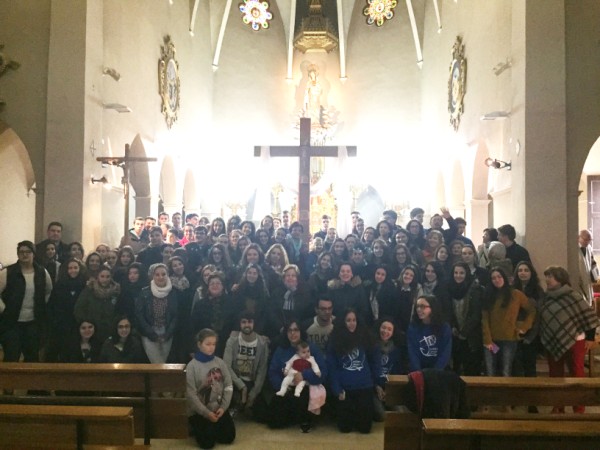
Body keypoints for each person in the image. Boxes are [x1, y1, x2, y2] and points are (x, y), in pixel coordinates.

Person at [539, 266, 599, 414]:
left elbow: (589, 316)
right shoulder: (546, 297)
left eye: (550, 276)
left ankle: (578, 408)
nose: (547, 280)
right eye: (546, 276)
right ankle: (558, 406)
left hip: (576, 340)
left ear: (560, 279)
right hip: (553, 341)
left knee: (576, 374)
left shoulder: (573, 296)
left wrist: (590, 338)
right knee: (555, 375)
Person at [327, 309, 381, 434]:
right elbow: (332, 368)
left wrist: (375, 379)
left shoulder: (365, 337)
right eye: (348, 320)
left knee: (365, 429)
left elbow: (376, 357)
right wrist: (337, 389)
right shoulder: (334, 341)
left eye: (354, 320)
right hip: (345, 389)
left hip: (364, 386)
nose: (352, 323)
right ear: (342, 322)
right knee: (345, 428)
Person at [268, 319, 326, 432]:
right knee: (274, 422)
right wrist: (282, 385)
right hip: (287, 387)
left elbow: (323, 372)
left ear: (301, 332)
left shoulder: (311, 348)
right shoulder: (281, 349)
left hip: (306, 387)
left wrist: (304, 375)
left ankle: (304, 418)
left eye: (296, 330)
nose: (292, 333)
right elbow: (273, 372)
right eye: (289, 330)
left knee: (302, 399)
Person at [0, 240, 53, 362]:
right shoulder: (8, 272)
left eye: (28, 252)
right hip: (12, 323)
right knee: (11, 356)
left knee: (32, 357)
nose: (24, 254)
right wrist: (4, 309)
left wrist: (41, 305)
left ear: (33, 254)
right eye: (21, 252)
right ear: (18, 254)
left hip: (33, 322)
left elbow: (49, 291)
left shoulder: (42, 272)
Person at [186, 328, 236, 449]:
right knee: (207, 444)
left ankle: (212, 427)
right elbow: (191, 395)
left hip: (218, 408)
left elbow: (228, 385)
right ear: (199, 344)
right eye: (208, 344)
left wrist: (223, 407)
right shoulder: (191, 367)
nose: (211, 347)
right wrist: (206, 413)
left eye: (213, 344)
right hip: (200, 411)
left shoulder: (220, 362)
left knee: (229, 437)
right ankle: (198, 426)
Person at [481, 267, 535, 377]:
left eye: (499, 277)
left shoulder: (516, 294)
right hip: (492, 341)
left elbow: (532, 311)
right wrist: (488, 340)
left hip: (509, 340)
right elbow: (485, 319)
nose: (497, 280)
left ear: (504, 278)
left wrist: (524, 327)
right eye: (493, 278)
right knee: (490, 371)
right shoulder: (488, 295)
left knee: (506, 371)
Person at [222, 311, 269, 416]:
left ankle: (245, 404)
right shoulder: (232, 340)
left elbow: (262, 371)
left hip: (252, 382)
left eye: (250, 322)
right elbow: (226, 366)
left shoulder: (262, 343)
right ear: (240, 324)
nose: (247, 325)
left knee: (263, 414)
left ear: (254, 323)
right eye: (244, 322)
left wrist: (253, 394)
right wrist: (241, 386)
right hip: (234, 381)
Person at [46, 258, 88, 362]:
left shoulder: (85, 286)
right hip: (61, 325)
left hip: (79, 324)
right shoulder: (59, 285)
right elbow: (52, 305)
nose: (73, 270)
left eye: (75, 267)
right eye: (70, 268)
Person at [135, 263, 178, 363]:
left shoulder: (173, 292)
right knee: (155, 362)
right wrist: (151, 334)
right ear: (152, 276)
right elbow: (139, 315)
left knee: (164, 361)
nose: (160, 277)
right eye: (157, 274)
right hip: (149, 332)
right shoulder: (144, 292)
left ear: (167, 275)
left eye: (163, 274)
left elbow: (175, 315)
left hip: (167, 331)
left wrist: (167, 334)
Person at [448, 262, 484, 376]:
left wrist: (464, 332)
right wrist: (453, 326)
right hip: (456, 335)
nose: (458, 275)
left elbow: (476, 315)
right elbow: (449, 311)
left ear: (467, 274)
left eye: (461, 273)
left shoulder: (475, 289)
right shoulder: (450, 288)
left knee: (471, 369)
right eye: (456, 273)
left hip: (471, 336)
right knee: (456, 369)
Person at [74, 266, 120, 344]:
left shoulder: (116, 292)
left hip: (110, 330)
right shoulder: (89, 290)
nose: (105, 279)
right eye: (102, 276)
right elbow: (78, 309)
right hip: (92, 332)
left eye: (108, 277)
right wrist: (87, 325)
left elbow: (119, 311)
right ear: (97, 277)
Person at [407, 295, 452, 372]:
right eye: (417, 306)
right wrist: (418, 372)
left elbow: (445, 353)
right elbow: (412, 352)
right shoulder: (413, 327)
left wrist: (435, 372)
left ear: (433, 308)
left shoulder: (444, 327)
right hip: (418, 370)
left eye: (422, 306)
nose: (419, 309)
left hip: (439, 371)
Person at [373, 317, 403, 421]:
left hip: (389, 387)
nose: (385, 331)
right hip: (373, 388)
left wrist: (388, 388)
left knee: (401, 412)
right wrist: (376, 386)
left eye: (389, 329)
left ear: (393, 332)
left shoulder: (396, 350)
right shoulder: (370, 346)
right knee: (381, 416)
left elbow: (397, 372)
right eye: (383, 328)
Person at [577, 229, 598, 305]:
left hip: (587, 280)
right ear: (578, 237)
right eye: (585, 240)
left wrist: (595, 276)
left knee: (588, 303)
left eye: (590, 240)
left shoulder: (589, 248)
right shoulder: (573, 249)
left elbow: (593, 263)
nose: (587, 242)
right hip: (578, 281)